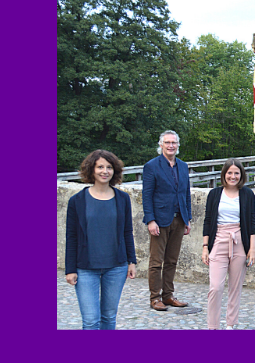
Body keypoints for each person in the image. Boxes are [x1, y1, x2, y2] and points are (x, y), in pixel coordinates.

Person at [64, 150, 138, 330]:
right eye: (100, 167)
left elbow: (127, 231)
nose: (105, 171)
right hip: (85, 269)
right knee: (90, 321)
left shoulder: (122, 199)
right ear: (92, 170)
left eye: (109, 167)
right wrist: (70, 269)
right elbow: (71, 236)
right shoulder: (77, 201)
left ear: (115, 171)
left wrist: (132, 261)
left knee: (108, 318)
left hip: (116, 267)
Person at [200, 159, 255, 329]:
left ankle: (231, 324)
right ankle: (213, 327)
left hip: (239, 240)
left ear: (241, 175)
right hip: (218, 239)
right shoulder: (215, 194)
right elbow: (208, 220)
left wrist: (252, 248)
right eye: (230, 173)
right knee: (216, 287)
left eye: (236, 173)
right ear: (224, 174)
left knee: (235, 287)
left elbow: (252, 222)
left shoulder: (247, 194)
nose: (233, 176)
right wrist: (205, 247)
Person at [142, 130, 192, 311]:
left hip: (179, 220)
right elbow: (146, 196)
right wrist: (150, 220)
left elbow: (186, 194)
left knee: (172, 260)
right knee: (156, 262)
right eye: (167, 142)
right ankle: (155, 298)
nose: (171, 146)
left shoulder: (183, 166)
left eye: (174, 143)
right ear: (161, 145)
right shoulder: (152, 166)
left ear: (178, 145)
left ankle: (168, 295)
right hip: (159, 220)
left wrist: (188, 219)